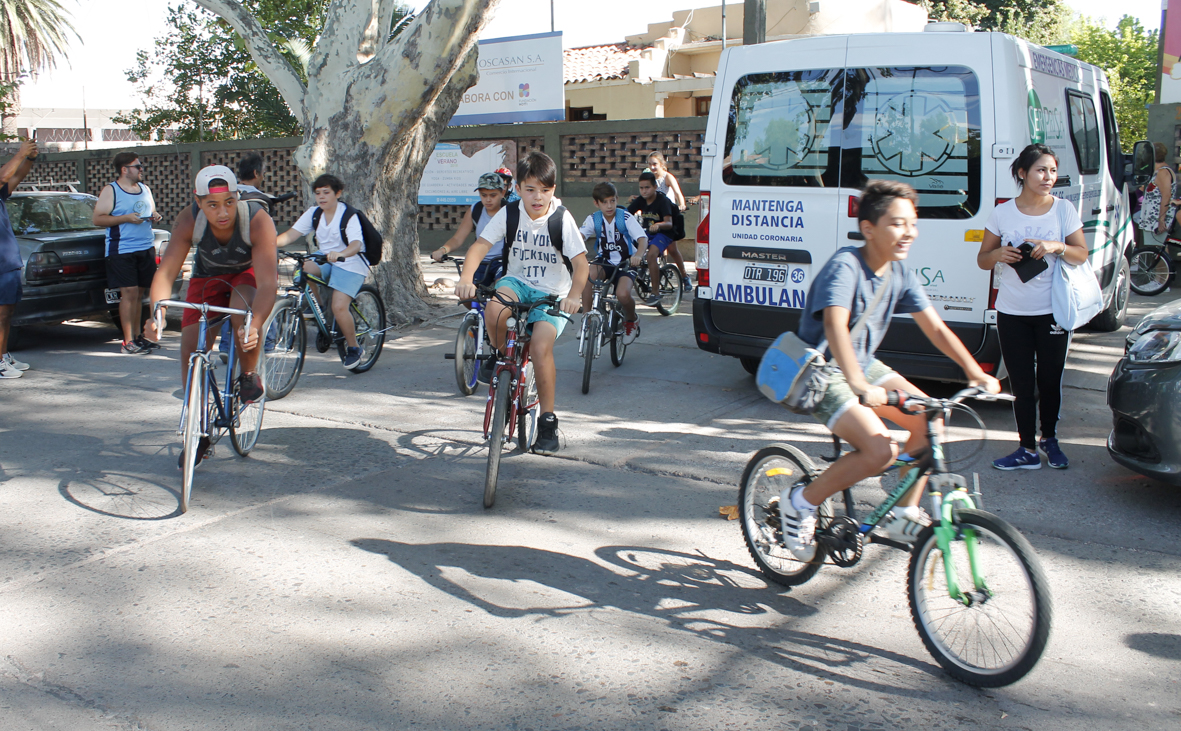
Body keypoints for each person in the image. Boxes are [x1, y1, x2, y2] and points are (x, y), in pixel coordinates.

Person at [776, 180, 1000, 558]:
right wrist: (858, 384)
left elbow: (936, 329)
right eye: (897, 224)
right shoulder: (846, 267)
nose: (909, 232)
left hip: (863, 366)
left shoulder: (899, 273)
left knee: (931, 420)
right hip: (825, 372)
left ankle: (902, 513)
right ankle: (800, 502)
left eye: (913, 223)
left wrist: (973, 372)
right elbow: (834, 324)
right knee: (880, 451)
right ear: (869, 228)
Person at [455, 151, 588, 456]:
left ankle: (548, 423)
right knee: (494, 309)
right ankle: (501, 355)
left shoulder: (561, 218)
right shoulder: (510, 213)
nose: (537, 197)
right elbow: (480, 245)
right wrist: (466, 278)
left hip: (552, 292)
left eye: (544, 190)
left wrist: (573, 296)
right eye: (530, 189)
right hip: (517, 282)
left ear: (553, 190)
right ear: (517, 189)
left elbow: (581, 264)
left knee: (540, 348)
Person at [145, 166, 278, 467]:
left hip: (247, 274)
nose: (222, 212)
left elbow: (268, 284)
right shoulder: (189, 219)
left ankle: (248, 373)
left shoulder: (257, 219)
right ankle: (199, 430)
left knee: (242, 317)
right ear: (199, 201)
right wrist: (157, 314)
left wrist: (255, 325)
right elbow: (166, 273)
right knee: (191, 346)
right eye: (213, 205)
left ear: (237, 197)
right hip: (207, 276)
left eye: (229, 202)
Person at [976, 144, 1088, 471]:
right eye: (1041, 170)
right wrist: (998, 255)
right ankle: (1026, 448)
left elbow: (1081, 254)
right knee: (1021, 384)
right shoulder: (1002, 212)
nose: (1048, 177)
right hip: (1012, 313)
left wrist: (1056, 246)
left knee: (1050, 381)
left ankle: (1049, 439)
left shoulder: (1063, 209)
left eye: (1052, 170)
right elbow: (983, 260)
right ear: (1022, 173)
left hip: (1053, 311)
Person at [274, 174, 369, 370]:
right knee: (304, 268)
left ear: (338, 193)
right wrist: (268, 244)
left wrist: (341, 253)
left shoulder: (348, 215)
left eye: (326, 192)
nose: (321, 197)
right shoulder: (314, 213)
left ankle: (354, 348)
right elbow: (291, 234)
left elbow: (356, 244)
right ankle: (319, 307)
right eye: (318, 193)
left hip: (350, 262)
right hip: (325, 257)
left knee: (339, 307)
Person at [92, 151, 163, 354]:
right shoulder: (111, 190)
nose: (141, 169)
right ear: (124, 169)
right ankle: (127, 341)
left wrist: (154, 215)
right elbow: (98, 219)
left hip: (145, 246)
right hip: (122, 249)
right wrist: (125, 218)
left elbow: (149, 211)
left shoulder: (144, 189)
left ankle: (138, 337)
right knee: (129, 293)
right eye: (137, 166)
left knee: (139, 293)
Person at [579, 181, 646, 343]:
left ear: (617, 199)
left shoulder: (625, 218)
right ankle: (587, 320)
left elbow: (642, 239)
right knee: (587, 278)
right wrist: (575, 253)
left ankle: (631, 320)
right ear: (597, 203)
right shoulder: (594, 219)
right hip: (605, 260)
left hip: (626, 262)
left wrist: (638, 255)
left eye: (612, 201)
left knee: (623, 294)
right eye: (604, 202)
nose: (609, 206)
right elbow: (579, 237)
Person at [0, 141, 38, 379]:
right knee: (1, 314)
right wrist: (20, 153)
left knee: (7, 312)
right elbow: (4, 176)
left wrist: (29, 158)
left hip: (7, 261)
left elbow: (16, 176)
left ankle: (3, 355)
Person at [430, 171, 508, 287]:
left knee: (502, 289)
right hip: (479, 261)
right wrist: (442, 250)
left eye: (493, 195)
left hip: (503, 262)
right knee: (468, 292)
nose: (488, 200)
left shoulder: (510, 211)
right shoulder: (475, 210)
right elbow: (457, 239)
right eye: (484, 195)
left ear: (502, 193)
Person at [627, 172, 678, 306]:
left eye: (647, 187)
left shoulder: (662, 201)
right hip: (647, 232)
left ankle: (655, 292)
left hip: (664, 233)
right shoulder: (640, 200)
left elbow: (669, 223)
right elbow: (627, 215)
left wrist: (658, 225)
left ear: (655, 187)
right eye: (641, 188)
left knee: (651, 255)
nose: (644, 191)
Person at [646, 151, 692, 291]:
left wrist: (681, 204)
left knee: (672, 249)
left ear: (661, 164)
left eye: (655, 164)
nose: (652, 167)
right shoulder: (649, 179)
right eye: (650, 164)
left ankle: (684, 276)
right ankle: (661, 270)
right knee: (657, 246)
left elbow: (678, 193)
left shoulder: (667, 177)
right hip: (655, 217)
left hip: (668, 216)